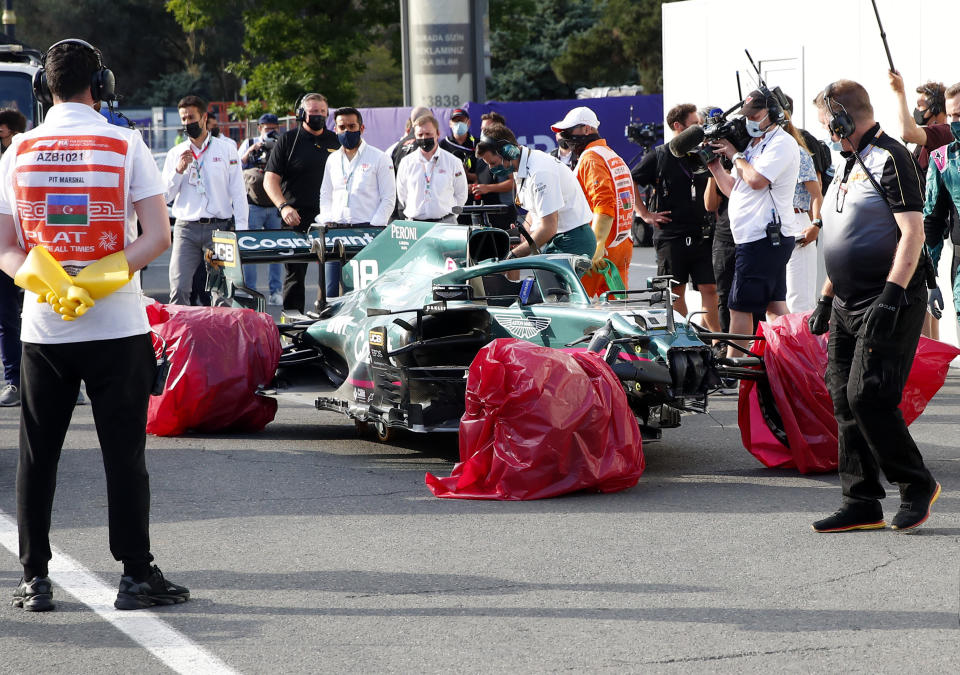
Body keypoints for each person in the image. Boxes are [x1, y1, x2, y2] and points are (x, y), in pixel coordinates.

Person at [0, 38, 188, 611]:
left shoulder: (18, 151)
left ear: (42, 90)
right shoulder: (126, 143)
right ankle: (135, 574)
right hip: (116, 325)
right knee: (123, 453)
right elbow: (156, 237)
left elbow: (6, 250)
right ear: (100, 85)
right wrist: (96, 281)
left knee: (38, 454)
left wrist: (58, 287)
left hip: (45, 330)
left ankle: (33, 578)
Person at [807, 79, 939, 533]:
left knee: (869, 395)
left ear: (843, 117)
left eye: (827, 122)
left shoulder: (892, 158)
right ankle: (861, 500)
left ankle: (916, 485)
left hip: (889, 298)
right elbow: (848, 236)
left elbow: (913, 233)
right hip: (845, 300)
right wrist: (826, 297)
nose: (824, 131)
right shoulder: (846, 163)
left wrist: (892, 295)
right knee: (843, 396)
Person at [707, 90, 801, 357]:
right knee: (774, 306)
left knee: (739, 306)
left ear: (774, 114)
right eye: (746, 115)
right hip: (757, 237)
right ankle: (795, 359)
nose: (749, 121)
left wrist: (736, 155)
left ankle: (733, 368)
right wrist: (715, 166)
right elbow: (734, 189)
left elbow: (757, 180)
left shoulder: (781, 143)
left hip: (764, 237)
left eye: (755, 115)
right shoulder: (755, 144)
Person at [633, 103, 719, 329]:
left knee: (709, 288)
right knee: (675, 290)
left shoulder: (702, 153)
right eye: (694, 125)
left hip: (702, 232)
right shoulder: (660, 155)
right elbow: (629, 180)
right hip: (671, 235)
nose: (699, 131)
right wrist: (644, 214)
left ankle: (716, 339)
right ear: (678, 126)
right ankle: (684, 337)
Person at [888, 70, 957, 339]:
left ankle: (929, 353)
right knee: (927, 292)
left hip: (934, 227)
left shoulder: (941, 133)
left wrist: (899, 92)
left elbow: (907, 130)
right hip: (929, 223)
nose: (917, 111)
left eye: (921, 106)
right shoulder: (932, 139)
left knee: (925, 289)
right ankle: (929, 352)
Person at [162, 95, 247, 306]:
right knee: (179, 286)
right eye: (183, 119)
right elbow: (165, 196)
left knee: (222, 290)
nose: (187, 123)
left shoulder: (226, 149)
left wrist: (243, 230)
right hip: (186, 230)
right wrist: (178, 172)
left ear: (204, 118)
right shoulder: (176, 153)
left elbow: (238, 191)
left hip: (219, 230)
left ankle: (220, 337)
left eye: (191, 117)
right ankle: (179, 336)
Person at [263, 93, 340, 311]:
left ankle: (328, 320)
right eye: (313, 112)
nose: (318, 116)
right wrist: (283, 206)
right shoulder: (288, 140)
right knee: (295, 276)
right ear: (301, 114)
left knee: (331, 276)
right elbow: (270, 180)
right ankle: (291, 325)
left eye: (322, 112)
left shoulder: (336, 140)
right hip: (295, 218)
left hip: (330, 219)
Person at [550, 106, 635, 298]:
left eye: (569, 130)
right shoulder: (611, 155)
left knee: (580, 312)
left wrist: (595, 248)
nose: (565, 136)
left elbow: (604, 206)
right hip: (620, 244)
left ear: (587, 129)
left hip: (599, 249)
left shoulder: (591, 158)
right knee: (618, 312)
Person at [475, 123, 595, 258]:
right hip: (558, 238)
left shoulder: (540, 172)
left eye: (493, 163)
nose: (491, 169)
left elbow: (548, 227)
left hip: (572, 240)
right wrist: (524, 234)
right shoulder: (521, 165)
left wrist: (514, 255)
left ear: (508, 151)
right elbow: (535, 211)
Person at [319, 107, 396, 283]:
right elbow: (325, 193)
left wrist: (373, 229)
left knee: (363, 291)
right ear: (336, 129)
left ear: (361, 128)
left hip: (367, 232)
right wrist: (327, 219)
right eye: (342, 127)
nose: (347, 131)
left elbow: (389, 197)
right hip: (336, 232)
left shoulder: (380, 158)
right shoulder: (332, 159)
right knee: (331, 292)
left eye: (352, 126)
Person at [922, 81, 960, 338]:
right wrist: (929, 279)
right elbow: (933, 220)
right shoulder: (943, 159)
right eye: (951, 115)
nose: (955, 120)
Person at [238, 112, 283, 305]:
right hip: (253, 205)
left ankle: (276, 291)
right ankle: (251, 290)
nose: (270, 131)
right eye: (267, 128)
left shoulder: (281, 143)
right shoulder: (249, 142)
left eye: (274, 128)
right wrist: (253, 150)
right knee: (251, 250)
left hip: (274, 205)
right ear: (260, 128)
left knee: (277, 251)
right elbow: (237, 166)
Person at [784, 114, 824, 314]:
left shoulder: (799, 154)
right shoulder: (760, 154)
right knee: (776, 300)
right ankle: (780, 345)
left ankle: (804, 345)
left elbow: (816, 194)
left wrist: (816, 224)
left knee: (799, 299)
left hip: (797, 221)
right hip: (772, 226)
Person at [395, 114, 468, 223]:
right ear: (415, 136)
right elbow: (402, 195)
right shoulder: (406, 162)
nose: (424, 138)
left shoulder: (453, 161)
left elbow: (461, 194)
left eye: (428, 134)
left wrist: (451, 215)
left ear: (438, 134)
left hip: (445, 222)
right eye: (420, 134)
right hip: (415, 223)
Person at [471, 111, 517, 229]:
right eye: (482, 129)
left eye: (487, 129)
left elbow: (514, 182)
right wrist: (473, 187)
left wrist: (487, 188)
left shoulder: (509, 154)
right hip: (484, 211)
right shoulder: (481, 153)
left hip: (503, 211)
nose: (483, 133)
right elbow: (480, 178)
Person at [440, 108, 481, 224]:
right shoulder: (443, 145)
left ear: (468, 122)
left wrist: (468, 176)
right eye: (455, 121)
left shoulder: (477, 144)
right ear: (450, 123)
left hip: (475, 199)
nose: (458, 124)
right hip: (451, 199)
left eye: (461, 120)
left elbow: (486, 176)